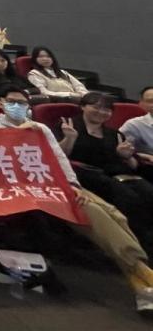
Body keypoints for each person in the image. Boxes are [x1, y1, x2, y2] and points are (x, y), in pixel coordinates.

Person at [0, 86, 153, 313]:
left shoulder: (40, 128)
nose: (17, 106)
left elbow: (59, 159)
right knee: (95, 216)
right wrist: (17, 136)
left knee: (115, 215)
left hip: (57, 185)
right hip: (26, 189)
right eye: (12, 101)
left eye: (22, 103)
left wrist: (72, 185)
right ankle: (142, 275)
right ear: (1, 103)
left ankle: (141, 281)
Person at [56, 92, 153, 251]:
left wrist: (126, 156)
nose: (101, 112)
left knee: (148, 193)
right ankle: (140, 244)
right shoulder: (68, 126)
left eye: (107, 109)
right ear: (83, 106)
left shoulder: (114, 134)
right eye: (96, 107)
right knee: (130, 200)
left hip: (120, 175)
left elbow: (133, 164)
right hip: (89, 175)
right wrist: (69, 138)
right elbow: (58, 156)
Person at [120, 86, 153, 182]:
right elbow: (121, 150)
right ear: (141, 104)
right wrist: (146, 156)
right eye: (150, 101)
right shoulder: (134, 125)